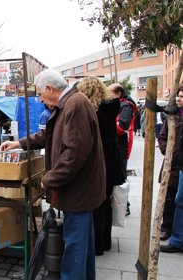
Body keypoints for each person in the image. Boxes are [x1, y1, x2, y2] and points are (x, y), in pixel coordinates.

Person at [1, 69, 105, 280]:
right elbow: (49, 134)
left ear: (50, 88)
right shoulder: (68, 104)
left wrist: (49, 180)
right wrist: (18, 143)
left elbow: (75, 153)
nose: (40, 99)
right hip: (81, 191)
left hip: (79, 192)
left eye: (40, 94)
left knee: (75, 250)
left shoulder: (75, 104)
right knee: (82, 249)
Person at [78, 76, 125, 255]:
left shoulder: (93, 112)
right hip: (112, 162)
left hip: (99, 162)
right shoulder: (110, 108)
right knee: (105, 202)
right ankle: (105, 241)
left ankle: (96, 245)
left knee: (97, 204)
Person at [108, 83, 137, 215]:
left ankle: (124, 206)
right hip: (118, 146)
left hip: (121, 147)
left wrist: (106, 124)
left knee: (121, 177)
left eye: (110, 93)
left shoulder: (125, 106)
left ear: (118, 93)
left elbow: (122, 126)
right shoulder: (121, 104)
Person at [157, 89, 183, 241]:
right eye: (179, 96)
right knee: (169, 197)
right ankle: (166, 227)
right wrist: (168, 152)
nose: (179, 99)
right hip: (172, 165)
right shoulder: (173, 117)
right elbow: (162, 137)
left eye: (182, 97)